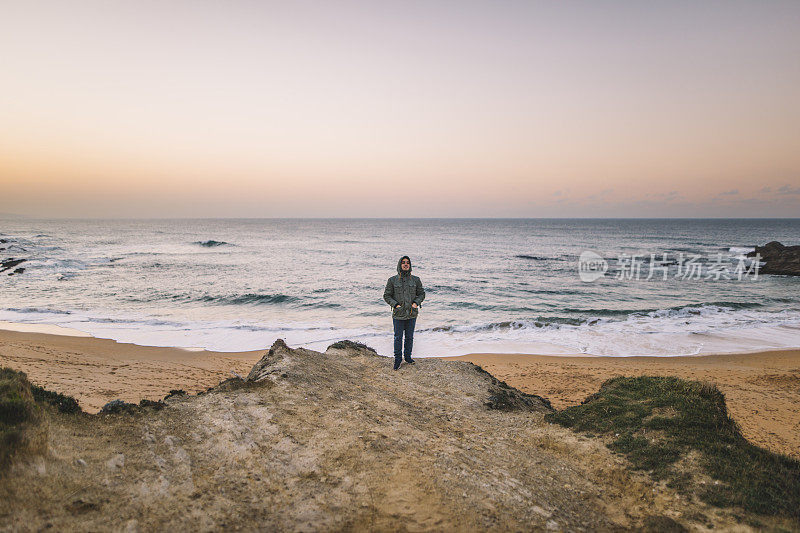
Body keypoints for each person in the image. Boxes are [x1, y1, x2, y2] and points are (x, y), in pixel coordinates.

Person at [383, 256, 425, 370]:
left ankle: (407, 357)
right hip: (399, 314)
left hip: (412, 313)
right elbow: (386, 295)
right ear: (399, 265)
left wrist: (416, 303)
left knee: (409, 337)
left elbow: (421, 294)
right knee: (398, 337)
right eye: (403, 263)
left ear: (410, 265)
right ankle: (397, 359)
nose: (406, 264)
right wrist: (395, 305)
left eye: (408, 263)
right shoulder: (392, 280)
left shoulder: (416, 279)